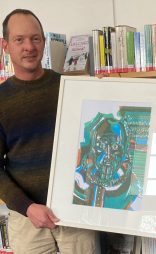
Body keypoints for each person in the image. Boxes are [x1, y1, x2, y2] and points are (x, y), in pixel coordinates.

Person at [0, 9, 96, 254]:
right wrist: (28, 207)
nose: (29, 47)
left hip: (77, 216)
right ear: (5, 45)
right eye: (19, 40)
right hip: (28, 221)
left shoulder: (70, 88)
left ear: (44, 42)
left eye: (35, 38)